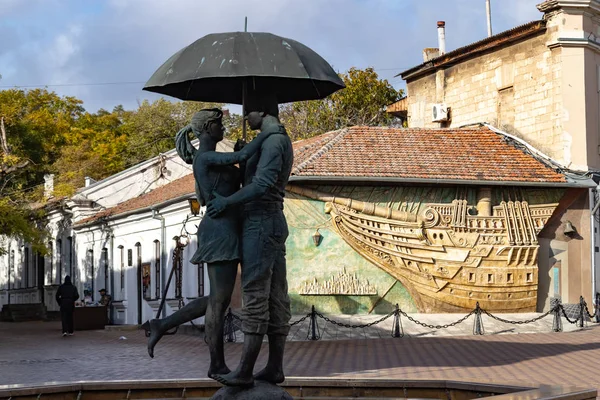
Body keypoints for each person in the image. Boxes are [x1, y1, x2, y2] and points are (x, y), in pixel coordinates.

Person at [144, 108, 282, 380]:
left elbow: (239, 172)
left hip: (230, 227)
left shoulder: (211, 158)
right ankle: (215, 364)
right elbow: (242, 156)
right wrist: (269, 134)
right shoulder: (206, 157)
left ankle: (162, 324)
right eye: (220, 124)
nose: (225, 128)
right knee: (219, 303)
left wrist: (244, 161)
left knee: (218, 299)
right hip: (220, 230)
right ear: (207, 129)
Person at [207, 93, 294, 387]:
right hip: (268, 221)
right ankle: (274, 368)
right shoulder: (271, 141)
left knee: (257, 294)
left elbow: (262, 185)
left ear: (262, 111)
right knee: (274, 295)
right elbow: (255, 177)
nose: (245, 119)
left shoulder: (274, 141)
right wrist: (245, 160)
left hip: (261, 221)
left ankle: (245, 370)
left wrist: (227, 202)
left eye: (248, 113)